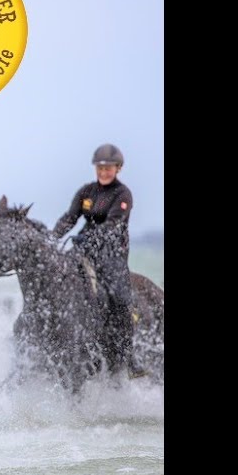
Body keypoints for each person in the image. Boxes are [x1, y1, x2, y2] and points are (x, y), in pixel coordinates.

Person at [51, 143, 146, 379]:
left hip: (112, 255)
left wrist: (90, 239)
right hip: (83, 249)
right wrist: (52, 237)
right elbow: (69, 218)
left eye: (108, 168)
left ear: (118, 168)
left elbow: (112, 226)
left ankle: (129, 356)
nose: (104, 172)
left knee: (121, 298)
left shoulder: (122, 194)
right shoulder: (86, 192)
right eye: (100, 168)